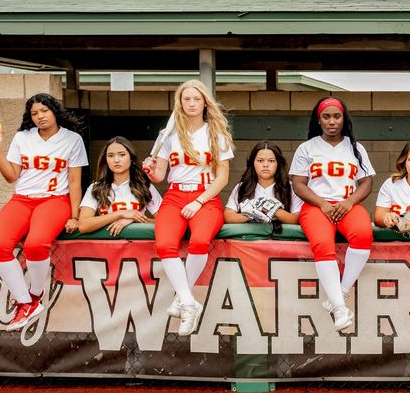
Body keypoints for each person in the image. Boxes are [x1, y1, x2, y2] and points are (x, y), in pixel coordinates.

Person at [0, 93, 88, 330]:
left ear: (54, 111)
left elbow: (74, 182)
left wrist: (75, 215)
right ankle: (25, 303)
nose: (39, 116)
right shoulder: (23, 137)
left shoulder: (72, 139)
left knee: (35, 244)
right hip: (22, 199)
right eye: (34, 113)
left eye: (44, 111)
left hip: (54, 200)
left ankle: (35, 294)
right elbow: (11, 176)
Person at [144, 80, 234, 337]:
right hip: (174, 195)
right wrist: (150, 169)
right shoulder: (169, 134)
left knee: (199, 241)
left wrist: (199, 201)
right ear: (179, 103)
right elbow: (160, 175)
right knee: (164, 246)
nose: (192, 103)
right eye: (187, 99)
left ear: (205, 102)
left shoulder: (216, 133)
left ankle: (182, 299)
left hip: (205, 195)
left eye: (197, 99)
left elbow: (222, 178)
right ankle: (187, 301)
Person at [291, 96, 375, 332]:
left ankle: (341, 291)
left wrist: (349, 202)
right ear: (318, 120)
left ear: (343, 118)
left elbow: (367, 182)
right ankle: (339, 308)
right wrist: (322, 203)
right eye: (326, 117)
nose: (331, 121)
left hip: (347, 204)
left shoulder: (355, 147)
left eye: (336, 116)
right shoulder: (306, 148)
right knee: (322, 244)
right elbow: (299, 184)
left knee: (363, 235)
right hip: (317, 206)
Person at [78, 136, 162, 235]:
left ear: (131, 158)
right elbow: (83, 225)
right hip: (105, 247)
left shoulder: (145, 186)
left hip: (136, 246)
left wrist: (132, 220)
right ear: (106, 160)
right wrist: (120, 214)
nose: (116, 160)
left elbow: (166, 222)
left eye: (122, 155)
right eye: (110, 156)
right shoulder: (96, 188)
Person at [224, 141, 299, 225]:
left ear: (278, 164)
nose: (265, 165)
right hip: (249, 237)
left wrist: (274, 210)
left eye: (271, 161)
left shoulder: (290, 187)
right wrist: (251, 214)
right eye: (260, 161)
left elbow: (297, 219)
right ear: (253, 163)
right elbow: (228, 216)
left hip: (279, 236)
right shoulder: (242, 186)